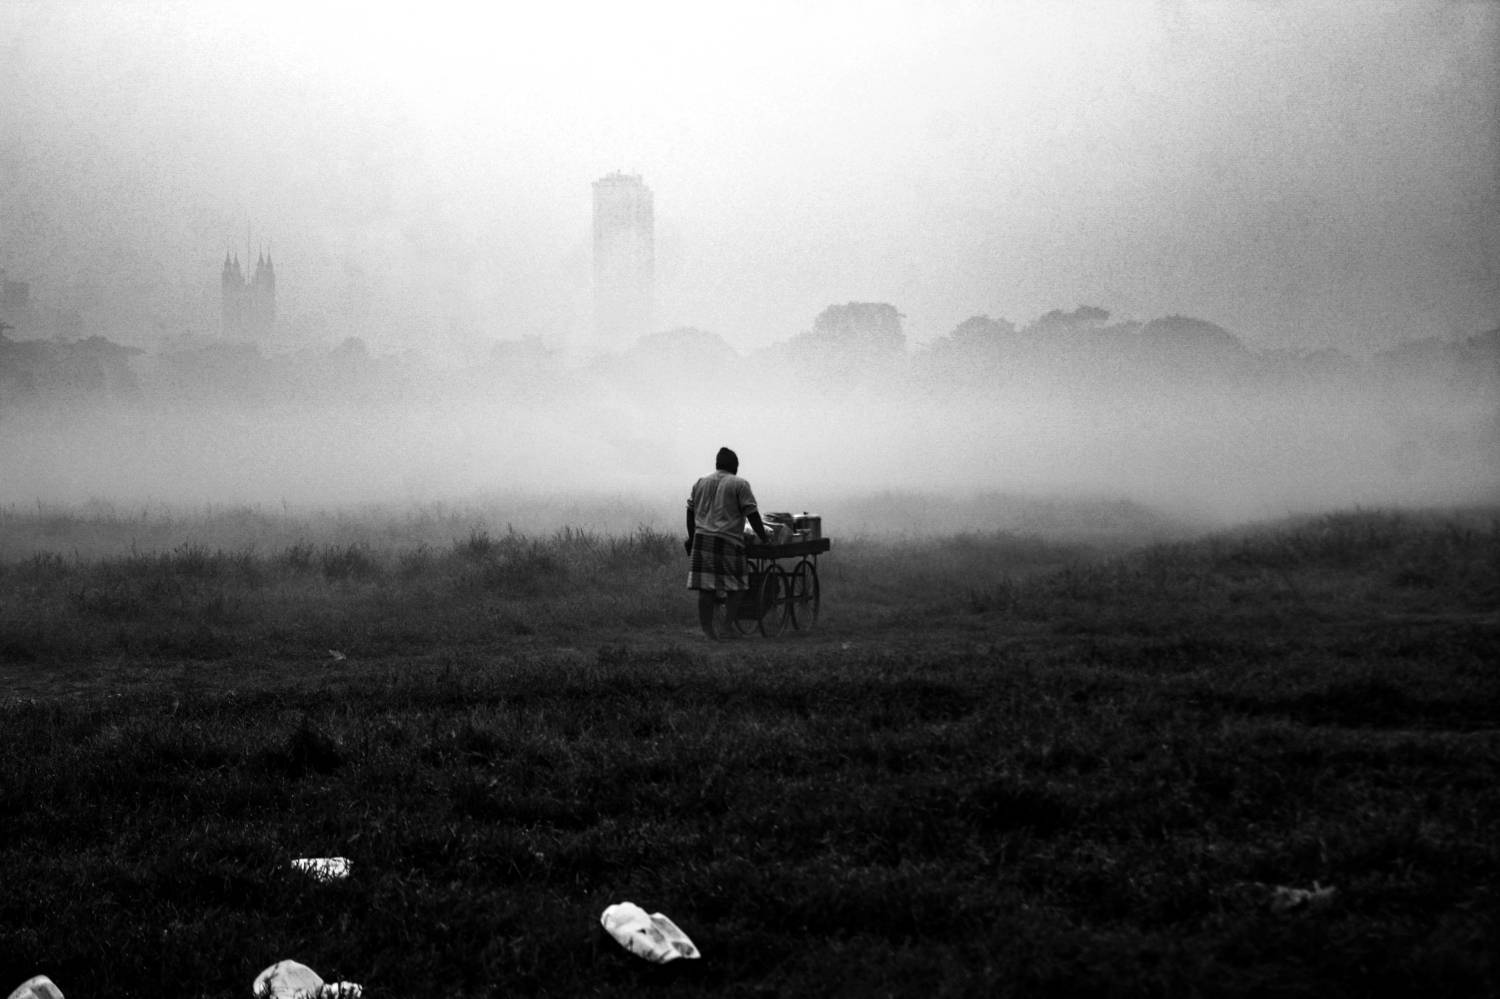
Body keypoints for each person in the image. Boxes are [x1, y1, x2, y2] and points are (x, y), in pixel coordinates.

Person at [686, 447, 769, 640]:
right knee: (737, 586)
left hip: (702, 540)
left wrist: (691, 537)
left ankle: (708, 631)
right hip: (728, 540)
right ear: (735, 466)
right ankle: (726, 627)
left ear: (717, 464)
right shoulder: (740, 484)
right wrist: (764, 538)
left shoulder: (700, 482)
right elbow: (752, 515)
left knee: (706, 588)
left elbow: (690, 511)